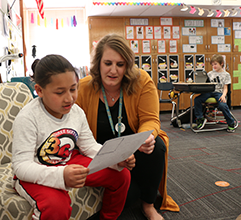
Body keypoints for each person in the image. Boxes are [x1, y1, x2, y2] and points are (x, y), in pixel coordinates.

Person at [12, 54, 135, 220]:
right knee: (56, 206)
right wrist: (61, 175)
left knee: (121, 174)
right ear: (40, 90)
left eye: (73, 88)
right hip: (36, 169)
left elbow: (89, 146)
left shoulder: (76, 112)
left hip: (67, 160)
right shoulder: (28, 117)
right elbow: (21, 167)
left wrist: (115, 158)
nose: (69, 98)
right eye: (60, 92)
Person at [76, 34, 180, 220]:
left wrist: (144, 137)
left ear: (128, 66)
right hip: (101, 153)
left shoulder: (142, 81)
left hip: (134, 149)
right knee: (129, 197)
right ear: (98, 63)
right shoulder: (83, 88)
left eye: (120, 64)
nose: (113, 70)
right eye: (108, 63)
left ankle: (148, 206)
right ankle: (134, 189)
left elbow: (151, 119)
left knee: (156, 145)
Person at [193, 54, 239, 132]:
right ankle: (200, 119)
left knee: (222, 105)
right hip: (209, 92)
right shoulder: (210, 74)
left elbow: (225, 87)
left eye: (215, 64)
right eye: (212, 64)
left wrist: (224, 96)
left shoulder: (226, 75)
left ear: (221, 63)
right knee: (197, 99)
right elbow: (206, 84)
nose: (214, 66)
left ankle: (231, 123)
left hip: (219, 93)